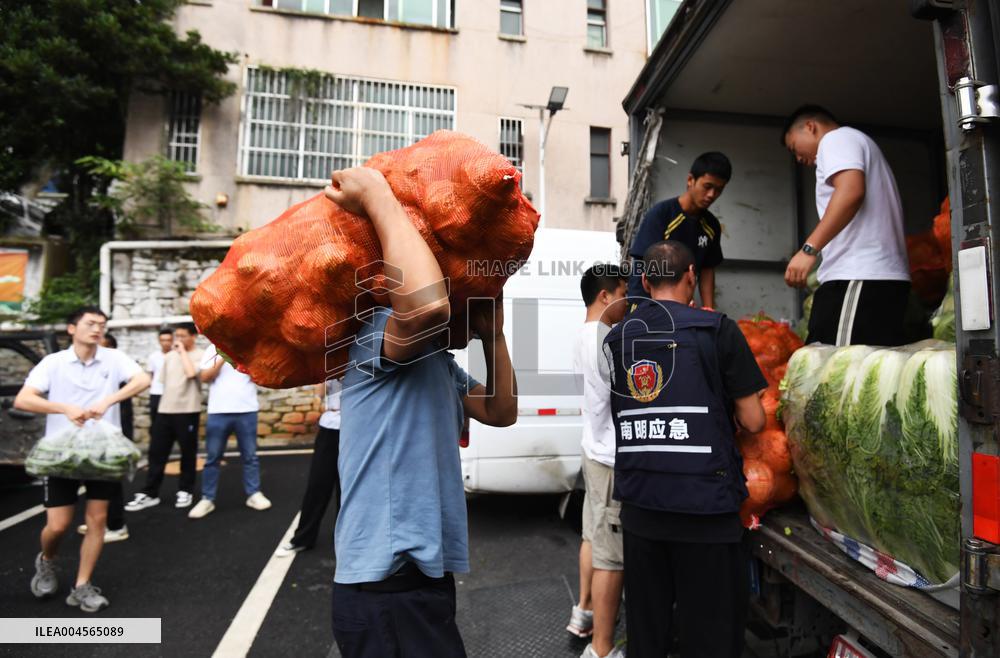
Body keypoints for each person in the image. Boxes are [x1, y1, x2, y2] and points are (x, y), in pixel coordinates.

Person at [324, 166, 517, 658]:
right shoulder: (372, 335)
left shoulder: (440, 366)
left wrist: (493, 335)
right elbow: (428, 309)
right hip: (385, 587)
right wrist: (378, 197)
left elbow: (501, 411)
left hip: (422, 583)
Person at [604, 241, 767, 657]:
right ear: (692, 276)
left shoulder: (618, 339)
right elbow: (753, 421)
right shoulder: (717, 330)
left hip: (641, 512)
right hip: (705, 515)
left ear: (645, 281)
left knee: (647, 638)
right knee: (710, 640)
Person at [14, 306, 150, 612]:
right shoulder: (54, 363)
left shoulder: (114, 358)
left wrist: (109, 400)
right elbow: (24, 399)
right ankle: (47, 560)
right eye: (90, 323)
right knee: (58, 525)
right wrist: (64, 408)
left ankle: (82, 585)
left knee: (97, 520)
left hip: (103, 454)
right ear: (72, 329)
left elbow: (143, 380)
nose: (97, 329)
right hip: (61, 456)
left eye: (102, 324)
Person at [781, 105, 910, 346]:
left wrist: (808, 249)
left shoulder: (836, 139)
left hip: (858, 276)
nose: (798, 158)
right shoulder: (859, 143)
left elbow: (851, 191)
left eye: (794, 147)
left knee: (833, 363)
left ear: (810, 127)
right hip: (878, 278)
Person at [566, 265, 628, 658]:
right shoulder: (605, 340)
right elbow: (614, 400)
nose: (627, 301)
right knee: (612, 556)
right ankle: (602, 649)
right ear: (605, 296)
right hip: (609, 455)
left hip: (592, 447)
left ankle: (584, 612)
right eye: (622, 293)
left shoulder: (583, 334)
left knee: (592, 535)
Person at [626, 152, 731, 309]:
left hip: (680, 308)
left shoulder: (712, 225)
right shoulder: (661, 214)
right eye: (707, 187)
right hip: (644, 304)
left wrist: (709, 309)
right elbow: (642, 265)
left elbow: (707, 270)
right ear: (690, 180)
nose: (711, 195)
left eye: (719, 190)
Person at [125, 322, 204, 511]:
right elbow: (163, 383)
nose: (179, 340)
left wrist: (182, 352)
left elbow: (191, 373)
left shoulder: (201, 355)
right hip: (165, 410)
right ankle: (150, 492)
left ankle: (185, 490)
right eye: (178, 336)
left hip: (188, 411)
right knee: (157, 453)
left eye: (183, 336)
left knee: (188, 453)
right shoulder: (169, 357)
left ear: (193, 337)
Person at [187, 343, 271, 518]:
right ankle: (207, 499)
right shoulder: (212, 349)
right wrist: (224, 355)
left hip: (247, 409)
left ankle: (254, 494)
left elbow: (261, 376)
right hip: (218, 411)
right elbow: (205, 377)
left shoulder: (249, 347)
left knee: (250, 456)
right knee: (213, 458)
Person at [75, 332, 134, 543]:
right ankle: (98, 522)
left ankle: (116, 525)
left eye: (101, 344)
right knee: (94, 480)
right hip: (93, 434)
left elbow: (123, 413)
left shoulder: (118, 371)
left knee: (110, 480)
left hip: (111, 435)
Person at [275, 377, 342, 557]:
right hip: (330, 425)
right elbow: (320, 389)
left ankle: (347, 542)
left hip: (357, 427)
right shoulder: (329, 363)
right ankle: (302, 539)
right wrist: (321, 385)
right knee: (317, 484)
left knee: (348, 488)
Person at [147, 327, 173, 425]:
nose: (165, 343)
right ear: (159, 341)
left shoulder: (178, 355)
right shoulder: (153, 357)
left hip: (172, 393)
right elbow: (150, 374)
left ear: (172, 340)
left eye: (168, 340)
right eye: (163, 340)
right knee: (155, 421)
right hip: (156, 392)